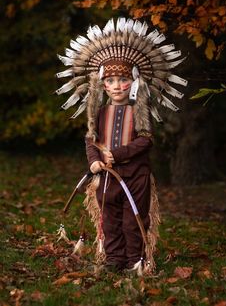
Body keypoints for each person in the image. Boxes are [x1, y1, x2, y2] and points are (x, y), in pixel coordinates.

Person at [56, 17, 187, 274]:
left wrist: (116, 154)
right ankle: (114, 260)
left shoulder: (139, 110)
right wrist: (94, 160)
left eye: (123, 80)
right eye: (111, 81)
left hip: (135, 176)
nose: (117, 86)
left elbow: (145, 140)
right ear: (103, 85)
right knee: (110, 219)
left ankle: (135, 261)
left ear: (135, 82)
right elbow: (90, 139)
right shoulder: (100, 112)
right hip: (106, 177)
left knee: (133, 219)